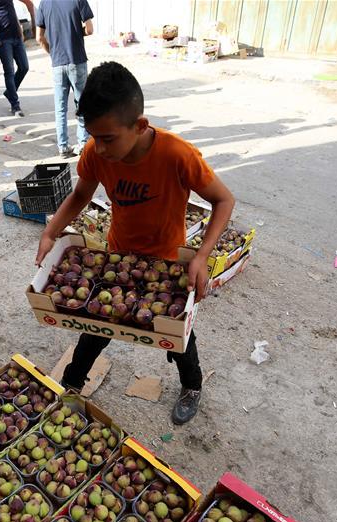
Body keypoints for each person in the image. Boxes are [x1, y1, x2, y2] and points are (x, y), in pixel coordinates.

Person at [35, 62, 237, 425]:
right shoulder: (97, 153)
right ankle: (72, 381)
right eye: (93, 136)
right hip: (119, 258)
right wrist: (52, 230)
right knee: (96, 325)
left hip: (166, 262)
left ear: (140, 125)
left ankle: (192, 385)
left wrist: (202, 256)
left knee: (175, 335)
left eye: (109, 138)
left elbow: (224, 200)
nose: (100, 147)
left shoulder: (177, 155)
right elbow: (81, 194)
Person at [36, 0, 93, 158]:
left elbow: (38, 37)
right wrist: (74, 31)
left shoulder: (44, 4)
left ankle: (63, 147)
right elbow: (89, 30)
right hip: (77, 60)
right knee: (81, 103)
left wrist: (52, 53)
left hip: (57, 63)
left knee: (60, 108)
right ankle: (82, 143)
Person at [0, 0, 33, 117]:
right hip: (2, 38)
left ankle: (10, 92)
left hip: (16, 35)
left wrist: (19, 27)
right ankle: (15, 105)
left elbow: (11, 9)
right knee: (9, 71)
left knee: (24, 67)